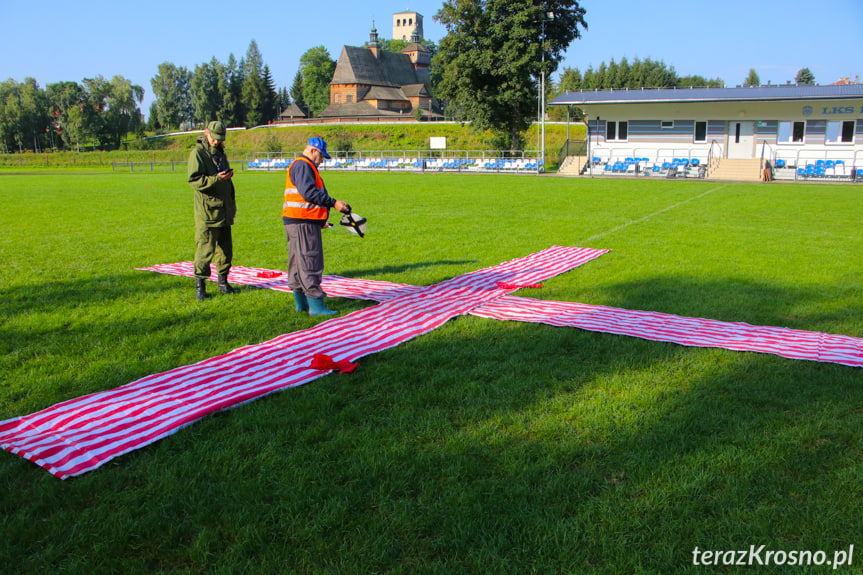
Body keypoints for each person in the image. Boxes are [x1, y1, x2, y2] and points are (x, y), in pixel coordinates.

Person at [283, 136, 349, 316]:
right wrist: (334, 203)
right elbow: (309, 193)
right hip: (303, 223)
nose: (321, 162)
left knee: (297, 264)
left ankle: (302, 304)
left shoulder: (299, 165)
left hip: (297, 221)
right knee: (310, 261)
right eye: (321, 157)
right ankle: (316, 307)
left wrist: (320, 220)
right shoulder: (304, 166)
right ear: (313, 151)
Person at [187, 120, 237, 301]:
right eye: (214, 138)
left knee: (225, 250)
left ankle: (223, 283)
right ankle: (200, 287)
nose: (217, 141)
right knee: (205, 249)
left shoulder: (220, 153)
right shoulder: (198, 153)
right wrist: (216, 179)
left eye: (220, 138)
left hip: (224, 210)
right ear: (206, 133)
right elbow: (194, 181)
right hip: (208, 212)